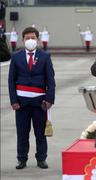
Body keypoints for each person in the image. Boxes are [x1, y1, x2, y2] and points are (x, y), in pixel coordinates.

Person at [8, 27, 55, 169]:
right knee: (22, 133)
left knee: (40, 133)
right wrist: (13, 101)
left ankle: (41, 158)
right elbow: (11, 80)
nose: (30, 40)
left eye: (32, 38)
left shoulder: (45, 56)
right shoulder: (16, 57)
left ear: (37, 39)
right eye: (27, 38)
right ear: (22, 40)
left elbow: (50, 80)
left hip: (40, 103)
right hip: (21, 103)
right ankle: (22, 159)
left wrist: (50, 99)